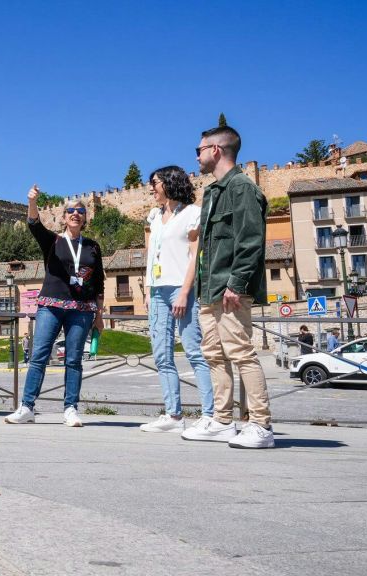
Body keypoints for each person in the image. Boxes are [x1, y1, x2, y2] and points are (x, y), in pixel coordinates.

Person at [180, 125, 274, 449]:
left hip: (231, 289)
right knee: (214, 356)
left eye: (200, 149)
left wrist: (236, 283)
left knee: (241, 353)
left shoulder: (242, 188)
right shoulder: (212, 192)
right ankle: (222, 420)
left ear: (216, 150)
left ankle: (261, 425)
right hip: (210, 290)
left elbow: (251, 241)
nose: (196, 155)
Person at [5, 187, 104, 426]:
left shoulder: (92, 247)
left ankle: (70, 409)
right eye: (71, 210)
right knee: (38, 356)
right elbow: (34, 225)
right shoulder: (54, 241)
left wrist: (99, 314)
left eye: (80, 211)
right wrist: (32, 201)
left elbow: (99, 281)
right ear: (64, 217)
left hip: (81, 309)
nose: (76, 214)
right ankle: (27, 407)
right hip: (51, 305)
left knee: (73, 360)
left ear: (85, 218)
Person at [140, 166, 214, 433]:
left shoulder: (192, 214)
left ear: (170, 184)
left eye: (155, 183)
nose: (151, 188)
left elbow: (195, 255)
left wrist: (184, 291)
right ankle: (173, 416)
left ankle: (210, 414)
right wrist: (148, 290)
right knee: (162, 354)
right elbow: (151, 256)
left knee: (194, 351)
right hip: (157, 291)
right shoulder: (155, 217)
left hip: (182, 289)